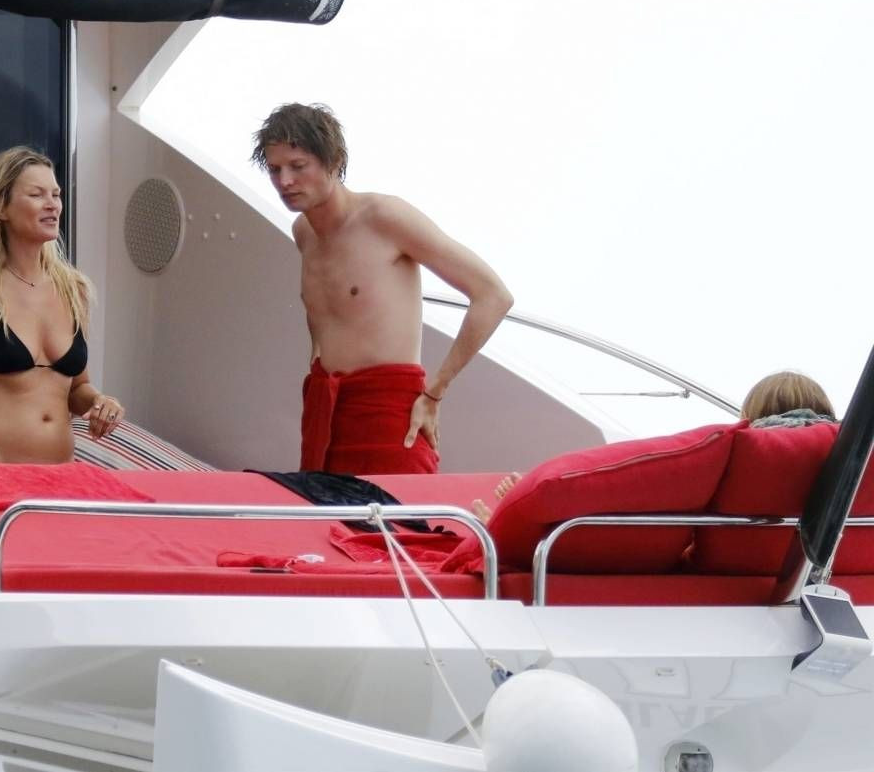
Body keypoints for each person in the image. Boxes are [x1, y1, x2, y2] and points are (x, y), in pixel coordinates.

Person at [252, 103, 513, 475]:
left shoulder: (384, 217)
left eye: (298, 166)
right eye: (275, 169)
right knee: (317, 512)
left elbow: (492, 295)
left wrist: (436, 391)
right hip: (326, 412)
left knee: (401, 513)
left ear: (334, 161)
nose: (285, 181)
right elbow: (323, 311)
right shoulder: (304, 233)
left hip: (389, 410)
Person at [0, 146, 124, 464]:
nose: (52, 204)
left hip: (58, 478)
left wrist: (100, 402)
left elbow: (76, 388)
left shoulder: (73, 289)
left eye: (56, 195)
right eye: (36, 194)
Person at [471, 369, 839, 521]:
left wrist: (514, 512)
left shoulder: (738, 456)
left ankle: (509, 525)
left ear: (748, 415)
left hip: (727, 590)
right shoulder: (852, 466)